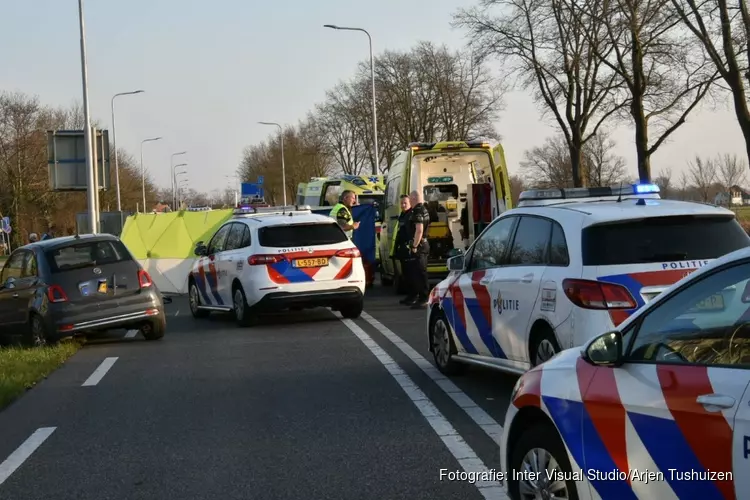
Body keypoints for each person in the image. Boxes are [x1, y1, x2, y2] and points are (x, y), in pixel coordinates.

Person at [403, 190, 431, 308]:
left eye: (410, 199)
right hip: (423, 244)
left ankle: (424, 298)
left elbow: (419, 230)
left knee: (420, 273)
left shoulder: (417, 211)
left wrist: (414, 245)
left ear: (413, 198)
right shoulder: (423, 209)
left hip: (420, 246)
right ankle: (421, 297)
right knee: (419, 272)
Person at [394, 194, 413, 304]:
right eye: (401, 203)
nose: (403, 205)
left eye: (405, 203)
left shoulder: (411, 215)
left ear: (410, 203)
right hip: (402, 248)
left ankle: (414, 296)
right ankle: (409, 295)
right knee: (405, 274)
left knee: (411, 274)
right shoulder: (403, 214)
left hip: (408, 248)